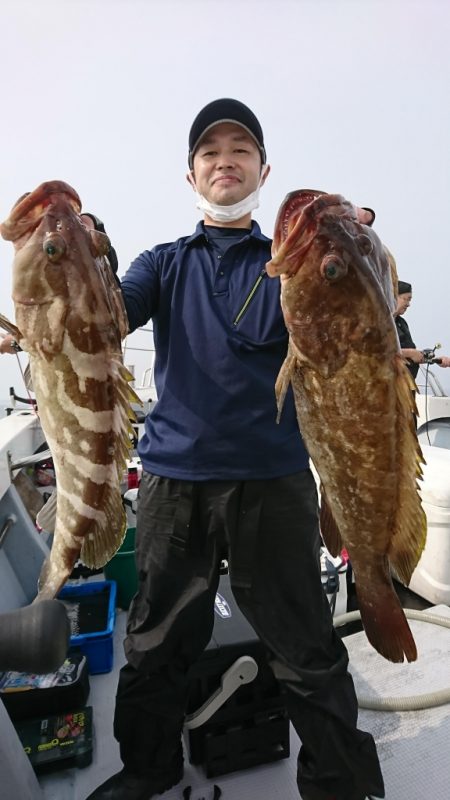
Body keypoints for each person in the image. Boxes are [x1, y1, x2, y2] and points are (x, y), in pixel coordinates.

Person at [2, 99, 385, 800]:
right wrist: (74, 270)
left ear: (263, 170)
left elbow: (356, 323)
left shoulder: (292, 265)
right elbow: (108, 315)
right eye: (211, 153)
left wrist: (355, 249)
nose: (225, 162)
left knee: (306, 650)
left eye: (240, 151)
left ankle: (340, 783)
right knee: (153, 645)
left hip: (274, 482)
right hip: (175, 481)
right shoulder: (164, 263)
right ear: (190, 178)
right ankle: (149, 768)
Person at [394, 279, 450, 379]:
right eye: (405, 299)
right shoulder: (379, 322)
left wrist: (437, 360)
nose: (408, 304)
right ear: (393, 297)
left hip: (406, 386)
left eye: (409, 300)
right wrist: (411, 352)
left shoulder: (402, 323)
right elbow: (375, 352)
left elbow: (412, 356)